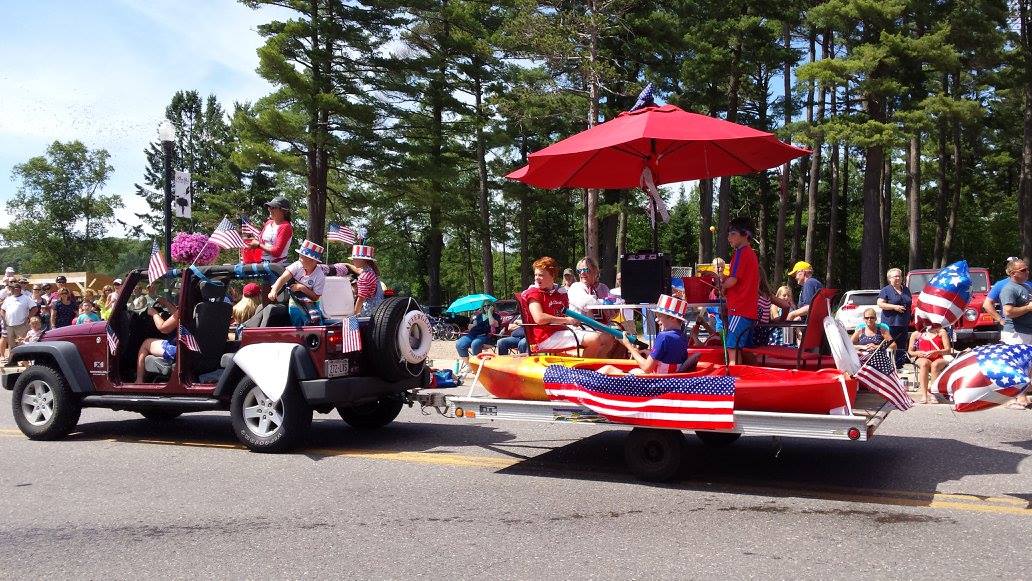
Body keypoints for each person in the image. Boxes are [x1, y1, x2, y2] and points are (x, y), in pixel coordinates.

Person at [524, 256, 614, 357]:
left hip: (561, 332)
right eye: (536, 274)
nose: (536, 278)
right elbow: (539, 318)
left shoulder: (559, 293)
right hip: (544, 338)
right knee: (595, 339)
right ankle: (584, 365)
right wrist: (567, 320)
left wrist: (572, 321)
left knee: (608, 338)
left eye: (541, 275)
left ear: (552, 275)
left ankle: (591, 363)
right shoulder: (534, 293)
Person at [598, 294, 690, 376]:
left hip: (656, 381)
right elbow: (670, 360)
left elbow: (647, 368)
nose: (656, 319)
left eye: (659, 315)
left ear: (672, 318)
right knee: (634, 370)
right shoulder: (683, 337)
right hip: (670, 379)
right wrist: (650, 353)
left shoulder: (664, 336)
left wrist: (629, 346)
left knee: (607, 369)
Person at [719, 217, 760, 363]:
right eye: (729, 234)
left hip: (739, 310)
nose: (729, 237)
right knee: (742, 348)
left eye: (733, 234)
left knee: (732, 346)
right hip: (747, 310)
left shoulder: (740, 253)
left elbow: (733, 280)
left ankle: (734, 375)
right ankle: (747, 373)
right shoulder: (750, 254)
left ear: (746, 235)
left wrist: (722, 286)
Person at [998, 257, 1032, 409]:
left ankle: (1022, 395)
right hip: (1015, 333)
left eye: (1027, 269)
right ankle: (1013, 398)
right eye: (1023, 270)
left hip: (1027, 331)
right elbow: (1008, 311)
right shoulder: (1009, 289)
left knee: (1027, 365)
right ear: (1013, 273)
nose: (1027, 272)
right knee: (1016, 365)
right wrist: (1028, 308)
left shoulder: (1026, 287)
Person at [269, 240, 326, 326]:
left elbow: (315, 297)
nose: (299, 259)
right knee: (296, 326)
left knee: (314, 325)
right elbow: (283, 278)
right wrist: (274, 291)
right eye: (300, 256)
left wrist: (302, 288)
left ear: (313, 260)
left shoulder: (320, 275)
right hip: (294, 304)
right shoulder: (297, 265)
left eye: (302, 257)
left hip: (312, 306)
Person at [134, 296, 182, 383]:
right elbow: (177, 316)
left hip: (178, 348)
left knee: (146, 343)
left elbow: (163, 328)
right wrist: (166, 303)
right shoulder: (194, 308)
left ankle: (139, 380)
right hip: (187, 346)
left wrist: (154, 313)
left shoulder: (184, 309)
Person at [907, 322, 951, 405]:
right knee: (924, 364)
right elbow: (910, 351)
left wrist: (937, 352)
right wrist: (918, 353)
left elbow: (948, 350)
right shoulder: (916, 333)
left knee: (935, 365)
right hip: (922, 357)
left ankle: (934, 394)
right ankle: (924, 395)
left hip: (939, 357)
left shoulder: (941, 332)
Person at [876, 267, 911, 367]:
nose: (898, 278)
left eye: (899, 276)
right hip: (890, 324)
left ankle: (899, 366)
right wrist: (894, 307)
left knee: (901, 345)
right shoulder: (886, 290)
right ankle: (888, 366)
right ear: (889, 278)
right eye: (895, 276)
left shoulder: (906, 290)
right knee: (890, 345)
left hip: (903, 323)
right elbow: (880, 304)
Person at [983, 256, 1032, 326]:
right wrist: (1000, 320)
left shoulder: (1028, 284)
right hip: (1013, 328)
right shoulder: (1001, 284)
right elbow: (987, 304)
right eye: (1008, 264)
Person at [247, 196, 294, 265]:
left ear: (283, 211)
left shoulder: (286, 226)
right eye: (269, 207)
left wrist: (259, 245)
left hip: (276, 266)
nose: (269, 209)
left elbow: (276, 252)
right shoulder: (268, 223)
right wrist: (252, 241)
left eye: (273, 207)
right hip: (262, 263)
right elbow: (260, 241)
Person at [339, 244, 383, 317]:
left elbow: (361, 299)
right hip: (377, 308)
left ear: (362, 260)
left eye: (354, 259)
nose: (353, 260)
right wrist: (347, 265)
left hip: (368, 312)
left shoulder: (364, 277)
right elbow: (358, 270)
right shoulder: (371, 271)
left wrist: (355, 315)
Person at [455, 305, 501, 373]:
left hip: (487, 336)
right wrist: (472, 322)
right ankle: (471, 366)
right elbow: (470, 327)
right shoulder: (479, 316)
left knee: (475, 343)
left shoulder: (496, 316)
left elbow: (492, 323)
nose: (486, 307)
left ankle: (478, 367)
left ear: (492, 307)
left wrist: (489, 313)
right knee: (460, 344)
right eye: (484, 305)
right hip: (473, 334)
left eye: (488, 305)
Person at [567, 257, 613, 323]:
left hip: (604, 326)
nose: (582, 273)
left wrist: (613, 309)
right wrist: (605, 303)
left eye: (586, 270)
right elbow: (586, 303)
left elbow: (612, 310)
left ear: (595, 271)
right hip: (582, 327)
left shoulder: (603, 288)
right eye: (579, 271)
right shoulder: (575, 287)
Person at [1, 281, 37, 361]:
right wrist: (4, 319)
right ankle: (13, 361)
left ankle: (24, 361)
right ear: (12, 289)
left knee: (22, 343)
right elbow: (2, 310)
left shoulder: (26, 298)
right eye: (14, 288)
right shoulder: (8, 299)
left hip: (22, 325)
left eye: (17, 288)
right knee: (12, 344)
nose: (15, 289)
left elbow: (34, 308)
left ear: (20, 289)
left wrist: (28, 318)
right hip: (9, 325)